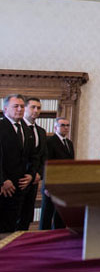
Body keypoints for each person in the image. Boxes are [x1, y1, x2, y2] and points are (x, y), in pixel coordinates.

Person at [0, 94, 37, 233]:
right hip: (3, 187)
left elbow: (33, 157)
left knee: (14, 229)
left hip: (21, 188)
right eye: (16, 106)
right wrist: (2, 180)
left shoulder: (27, 130)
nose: (20, 109)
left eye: (22, 106)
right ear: (5, 109)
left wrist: (31, 175)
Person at [16, 97, 47, 231]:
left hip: (34, 181)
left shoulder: (41, 132)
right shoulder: (18, 128)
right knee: (14, 218)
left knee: (27, 217)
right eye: (32, 107)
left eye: (38, 108)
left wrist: (38, 174)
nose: (36, 110)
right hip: (19, 180)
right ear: (25, 109)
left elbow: (43, 157)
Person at [39, 117, 74, 230]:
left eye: (67, 125)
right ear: (55, 128)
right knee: (47, 214)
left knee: (61, 214)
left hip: (64, 184)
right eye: (63, 125)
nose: (66, 128)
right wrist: (47, 185)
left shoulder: (69, 143)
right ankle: (43, 237)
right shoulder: (49, 142)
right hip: (51, 184)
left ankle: (58, 235)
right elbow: (47, 164)